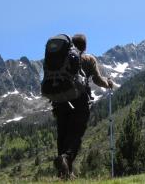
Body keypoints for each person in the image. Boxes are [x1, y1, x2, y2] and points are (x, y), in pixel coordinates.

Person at [53, 33, 114, 179]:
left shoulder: (61, 59)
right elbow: (97, 80)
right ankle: (66, 159)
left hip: (60, 101)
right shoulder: (88, 59)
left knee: (63, 134)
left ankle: (65, 172)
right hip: (79, 101)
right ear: (85, 46)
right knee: (75, 134)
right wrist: (108, 83)